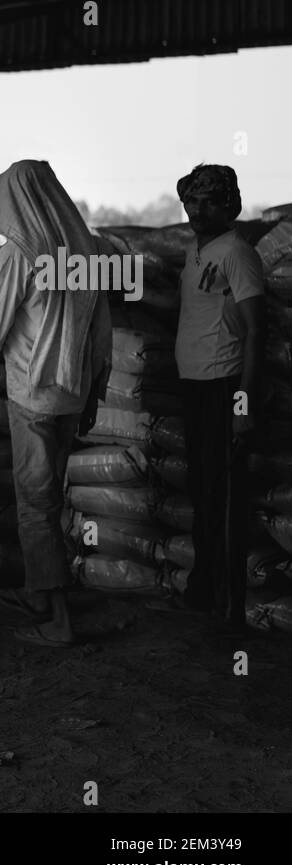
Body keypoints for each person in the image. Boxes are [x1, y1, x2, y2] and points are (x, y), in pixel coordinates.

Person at [0, 160, 112, 648]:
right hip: (71, 392)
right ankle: (38, 593)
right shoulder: (86, 249)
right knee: (50, 496)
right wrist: (95, 390)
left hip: (32, 394)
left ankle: (58, 619)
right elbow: (101, 332)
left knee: (35, 506)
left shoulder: (21, 254)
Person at [153, 164, 264, 633]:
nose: (197, 210)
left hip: (223, 385)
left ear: (229, 205)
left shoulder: (237, 253)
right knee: (202, 492)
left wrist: (243, 406)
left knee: (224, 500)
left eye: (208, 202)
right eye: (191, 202)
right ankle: (203, 593)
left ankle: (230, 606)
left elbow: (257, 331)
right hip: (194, 385)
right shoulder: (196, 252)